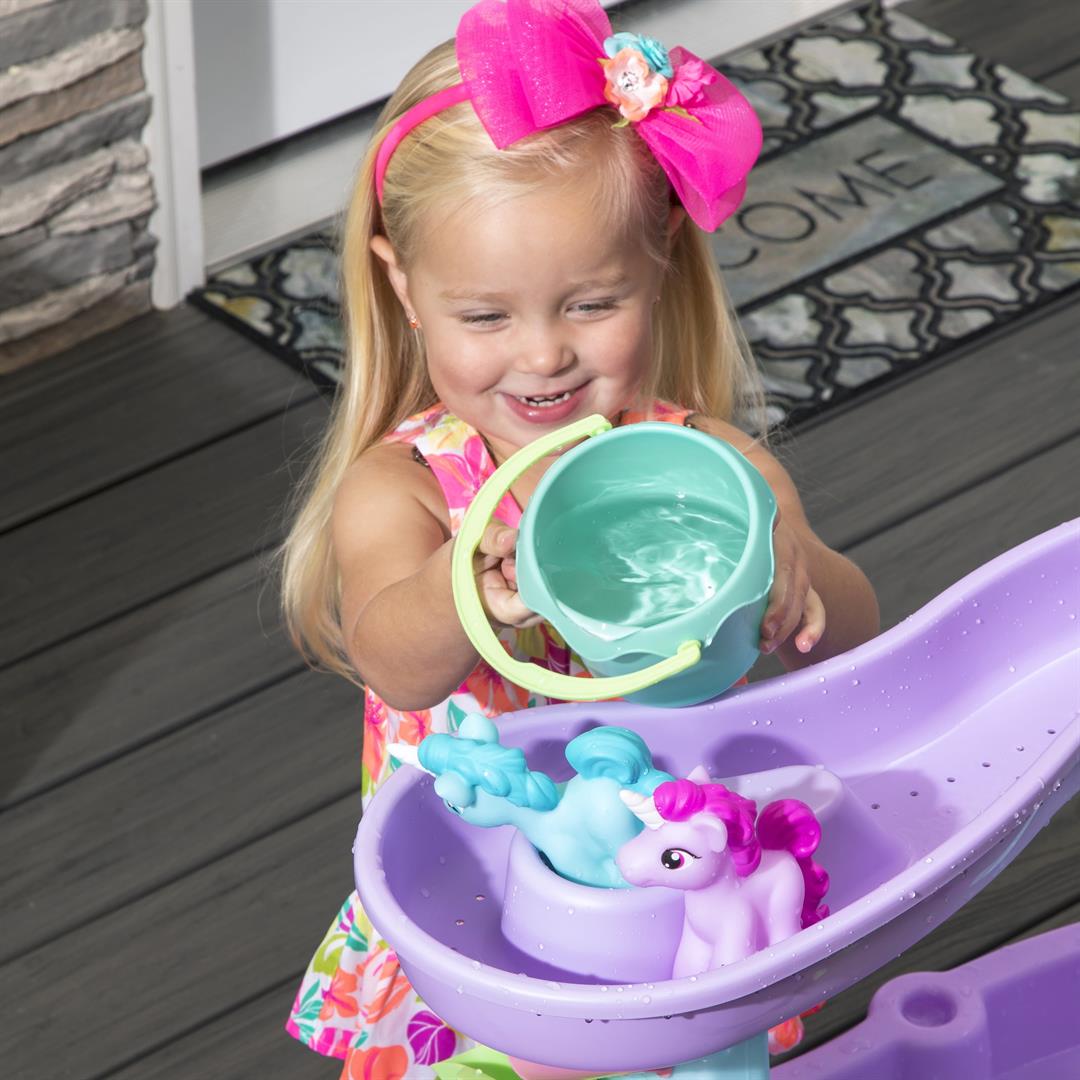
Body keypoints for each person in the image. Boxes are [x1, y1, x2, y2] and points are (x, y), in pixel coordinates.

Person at [281, 1, 880, 1076]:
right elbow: (393, 662)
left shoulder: (709, 460)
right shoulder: (406, 485)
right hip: (483, 902)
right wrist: (463, 589)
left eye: (591, 302)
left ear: (656, 262)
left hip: (672, 897)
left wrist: (795, 562)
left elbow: (855, 636)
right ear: (404, 287)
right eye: (487, 317)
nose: (544, 356)